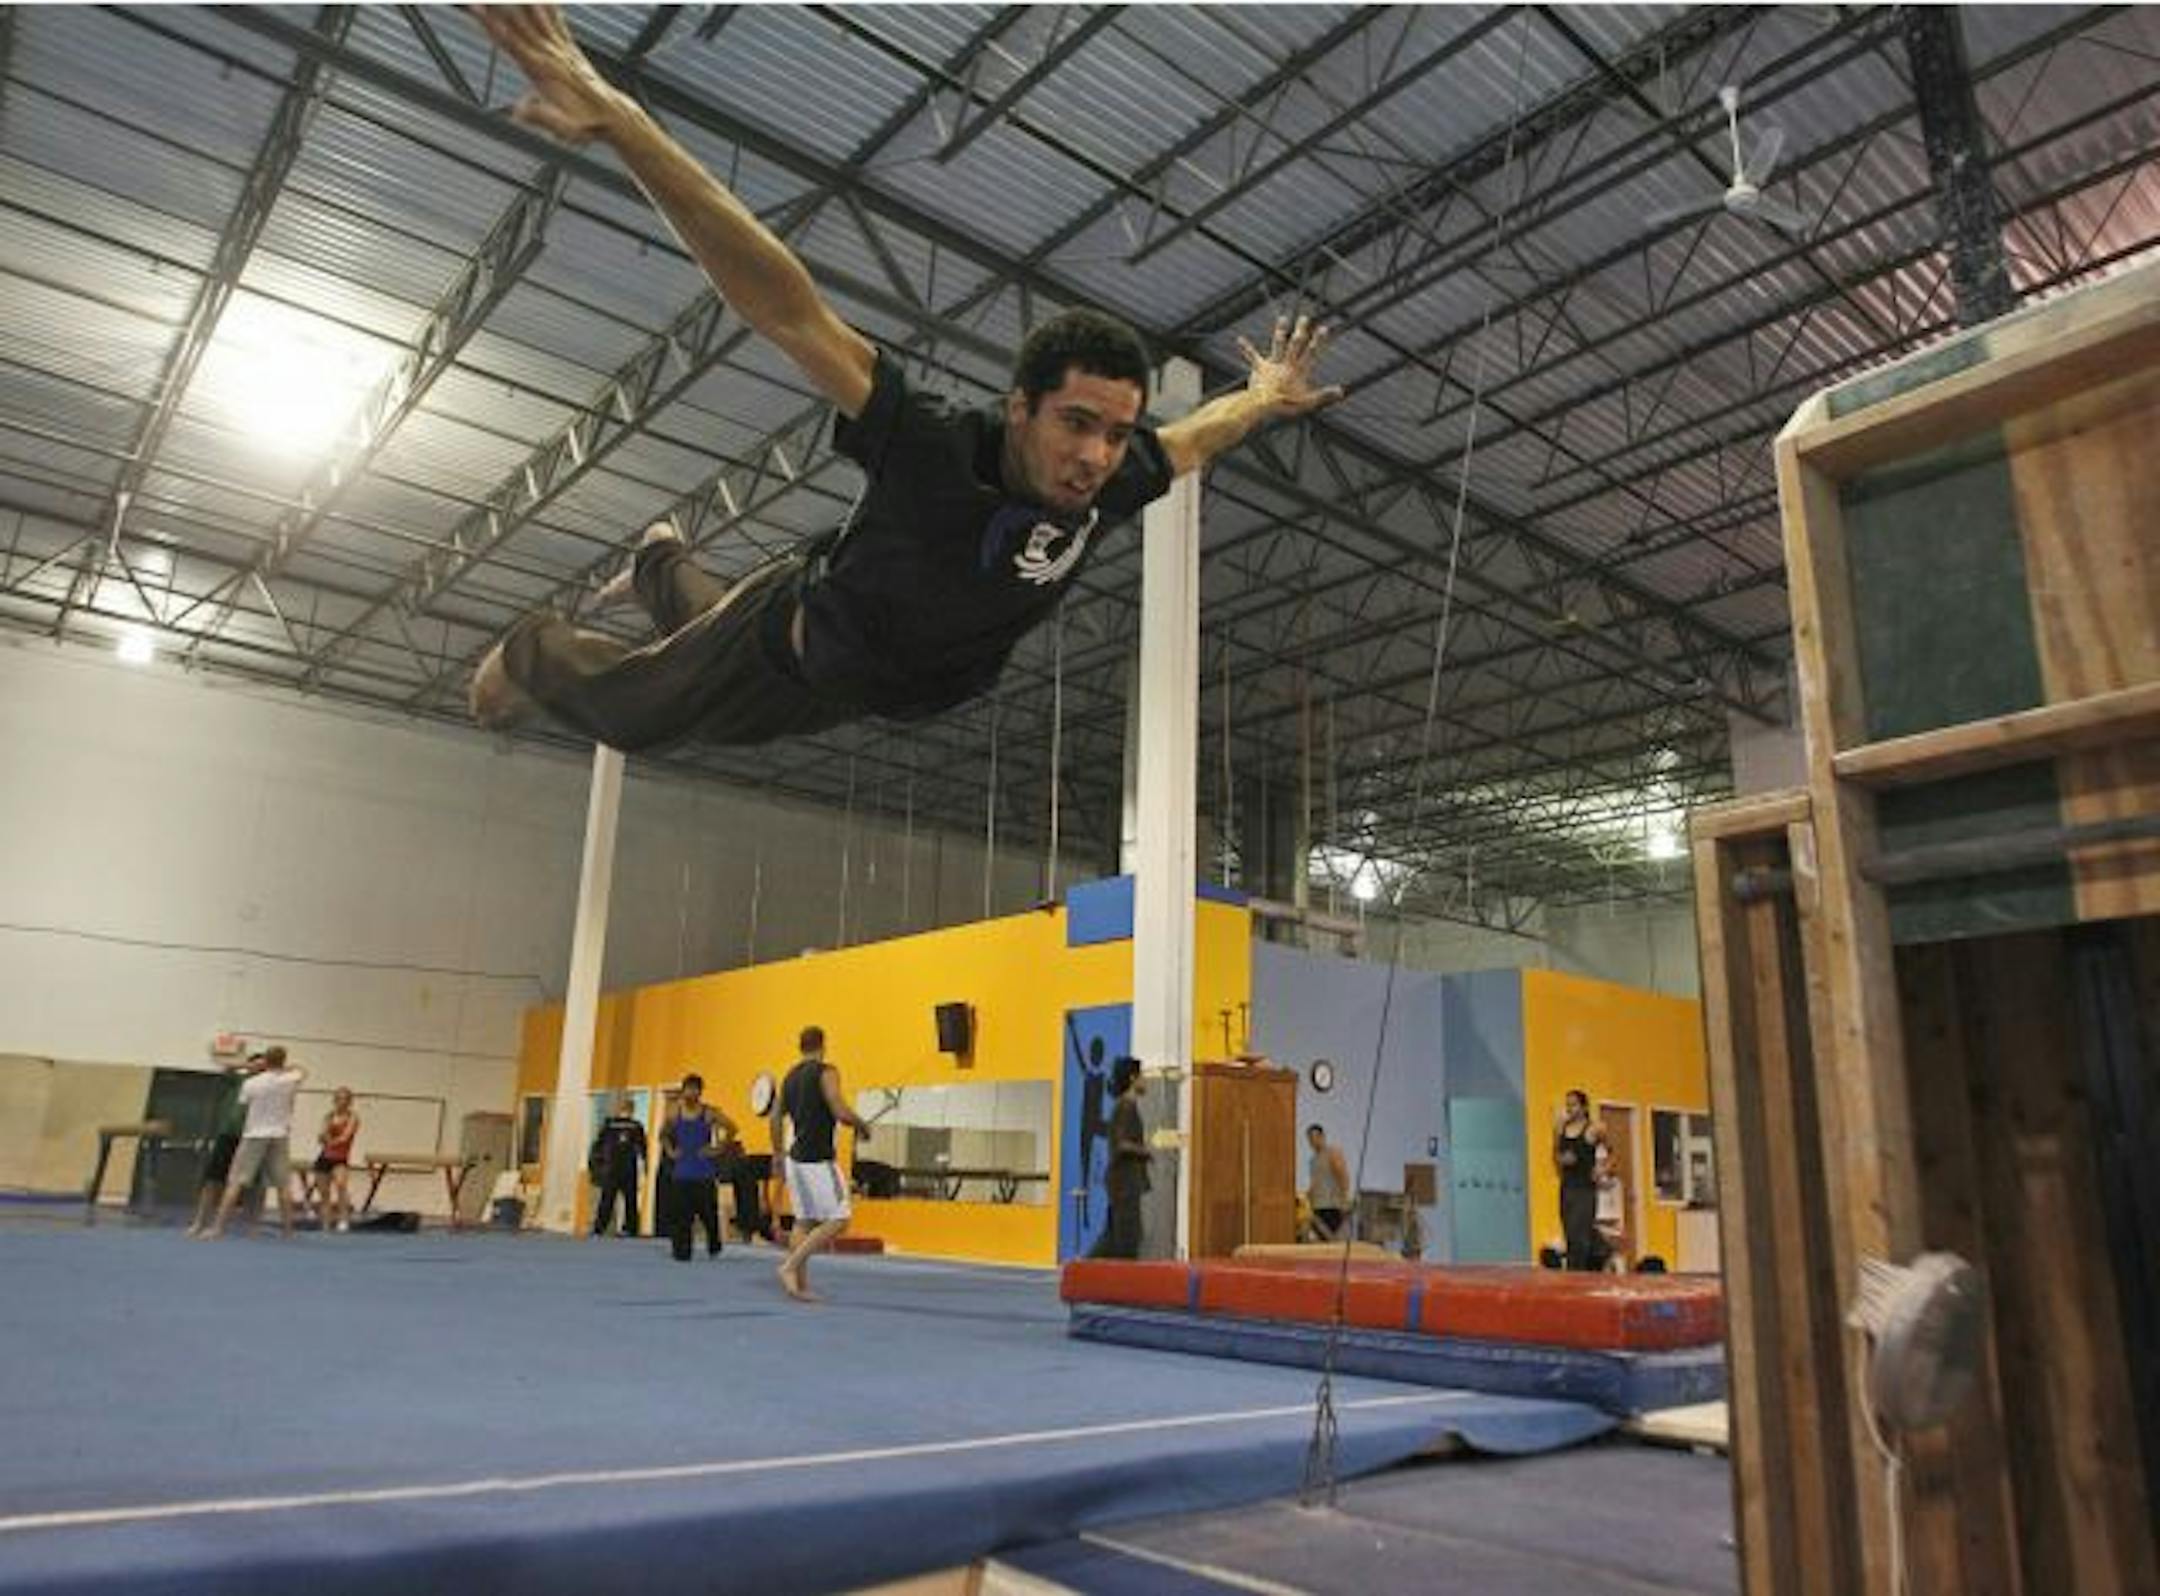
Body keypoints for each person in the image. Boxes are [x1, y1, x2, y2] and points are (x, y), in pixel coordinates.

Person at [466, 7, 1342, 753]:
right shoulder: (934, 454)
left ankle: (659, 554)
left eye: (1115, 432)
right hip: (783, 656)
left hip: (860, 678)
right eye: (1076, 423)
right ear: (1019, 408)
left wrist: (1263, 397)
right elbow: (785, 307)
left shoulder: (1114, 478)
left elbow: (1196, 438)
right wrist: (624, 124)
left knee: (699, 613)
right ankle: (530, 646)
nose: (1096, 456)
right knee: (634, 717)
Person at [769, 1026, 873, 1302]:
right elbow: (838, 1108)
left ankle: (799, 1286)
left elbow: (774, 1118)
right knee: (840, 1219)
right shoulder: (827, 1071)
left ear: (800, 1046)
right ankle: (789, 1267)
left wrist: (778, 1154)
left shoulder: (789, 1078)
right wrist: (862, 1125)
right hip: (817, 1158)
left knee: (804, 1222)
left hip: (795, 1159)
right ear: (822, 1045)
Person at [200, 1047, 307, 1240]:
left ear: (265, 1061)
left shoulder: (251, 1083)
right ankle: (288, 1232)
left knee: (236, 1182)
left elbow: (243, 1103)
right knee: (283, 1185)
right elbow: (302, 1071)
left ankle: (218, 1228)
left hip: (255, 1134)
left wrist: (258, 1068)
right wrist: (284, 1068)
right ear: (283, 1061)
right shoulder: (289, 1080)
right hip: (279, 1134)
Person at [660, 1074, 734, 1261]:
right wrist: (670, 1151)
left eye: (695, 1089)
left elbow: (732, 1128)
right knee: (681, 1217)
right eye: (688, 1089)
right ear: (683, 1091)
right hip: (681, 1173)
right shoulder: (674, 1113)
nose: (691, 1093)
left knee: (709, 1215)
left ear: (700, 1092)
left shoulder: (709, 1113)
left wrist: (718, 1149)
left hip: (703, 1173)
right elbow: (663, 1134)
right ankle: (681, 1252)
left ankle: (714, 1246)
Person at [1087, 1056, 1150, 1260]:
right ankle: (1121, 1279)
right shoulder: (1125, 1106)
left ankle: (1084, 1271)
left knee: (1113, 1237)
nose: (1145, 1081)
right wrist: (1144, 1151)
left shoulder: (1126, 1106)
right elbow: (1122, 1143)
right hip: (1124, 1182)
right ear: (1133, 1078)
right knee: (1128, 1238)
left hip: (1124, 1182)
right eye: (1142, 1076)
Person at [185, 1056, 254, 1238]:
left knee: (246, 1184)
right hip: (228, 1135)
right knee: (213, 1180)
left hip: (250, 1137)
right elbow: (225, 1066)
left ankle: (246, 1226)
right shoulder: (239, 1080)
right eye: (256, 1065)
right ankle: (199, 1222)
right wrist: (248, 1065)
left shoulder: (266, 1086)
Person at [1553, 1088, 1606, 1272]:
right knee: (1569, 1234)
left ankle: (1580, 1274)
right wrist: (1561, 1160)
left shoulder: (1594, 1129)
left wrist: (1601, 1169)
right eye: (1567, 1105)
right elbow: (1555, 1154)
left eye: (1573, 1105)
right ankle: (1594, 1257)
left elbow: (1612, 1154)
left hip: (1585, 1188)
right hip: (1567, 1187)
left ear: (1584, 1107)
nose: (1569, 1109)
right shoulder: (1561, 1128)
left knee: (1579, 1235)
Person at [588, 1093, 649, 1238]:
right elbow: (643, 1149)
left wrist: (597, 1165)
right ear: (631, 1110)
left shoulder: (609, 1124)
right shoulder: (636, 1126)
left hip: (613, 1168)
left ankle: (599, 1229)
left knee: (608, 1199)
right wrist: (645, 1166)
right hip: (628, 1168)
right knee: (630, 1200)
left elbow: (598, 1146)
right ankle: (631, 1229)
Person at [306, 1087, 361, 1234]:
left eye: (345, 1099)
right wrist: (325, 1139)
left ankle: (343, 1220)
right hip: (324, 1158)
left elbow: (345, 1137)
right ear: (334, 1101)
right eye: (339, 1099)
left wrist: (329, 1140)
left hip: (340, 1159)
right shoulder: (328, 1116)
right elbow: (320, 1136)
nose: (342, 1102)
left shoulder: (353, 1117)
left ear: (350, 1102)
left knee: (341, 1185)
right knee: (324, 1194)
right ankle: (326, 1223)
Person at [1304, 1123, 1350, 1243]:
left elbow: (1342, 1176)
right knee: (1319, 1241)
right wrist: (1309, 1194)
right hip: (1318, 1206)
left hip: (1332, 1205)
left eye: (1315, 1137)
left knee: (1333, 1242)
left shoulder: (1332, 1153)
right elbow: (1316, 1181)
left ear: (1322, 1137)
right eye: (1310, 1139)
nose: (1313, 1142)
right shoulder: (1313, 1160)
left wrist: (1344, 1199)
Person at [1592, 1140, 1626, 1272]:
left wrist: (1620, 1229)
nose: (1602, 1166)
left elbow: (1618, 1208)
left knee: (1617, 1260)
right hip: (1596, 1228)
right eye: (1598, 1162)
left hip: (1613, 1227)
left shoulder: (1616, 1183)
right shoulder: (1586, 1185)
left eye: (1604, 1161)